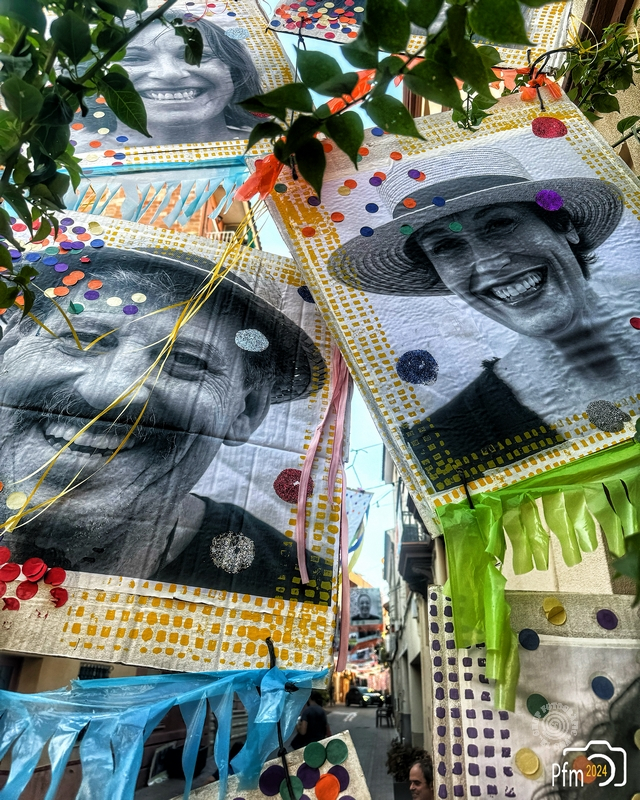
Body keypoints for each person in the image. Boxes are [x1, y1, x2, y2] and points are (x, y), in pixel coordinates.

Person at [0, 246, 331, 601]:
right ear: (7, 350)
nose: (109, 392)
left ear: (246, 412)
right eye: (80, 337)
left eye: (187, 360)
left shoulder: (298, 593)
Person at [327, 147, 636, 488]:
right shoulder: (446, 446)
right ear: (439, 274)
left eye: (499, 223)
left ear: (563, 225)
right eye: (445, 246)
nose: (488, 262)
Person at [75, 10, 261, 147]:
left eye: (196, 55)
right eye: (134, 59)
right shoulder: (79, 163)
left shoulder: (274, 149)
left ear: (234, 70)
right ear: (93, 80)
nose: (170, 73)